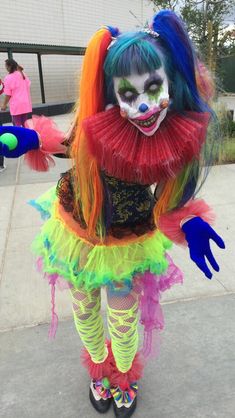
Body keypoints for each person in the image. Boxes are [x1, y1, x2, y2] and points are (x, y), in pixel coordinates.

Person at [0, 11, 225, 417]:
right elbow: (70, 144)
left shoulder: (175, 134)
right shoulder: (101, 126)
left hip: (127, 238)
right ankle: (98, 371)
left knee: (122, 316)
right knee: (85, 308)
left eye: (153, 88)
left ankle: (124, 376)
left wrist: (189, 222)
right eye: (128, 94)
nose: (143, 106)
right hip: (78, 230)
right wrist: (33, 137)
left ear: (170, 82)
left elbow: (172, 197)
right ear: (112, 95)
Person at [1, 59, 32, 126]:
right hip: (25, 103)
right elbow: (28, 84)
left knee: (17, 125)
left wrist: (4, 105)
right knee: (25, 124)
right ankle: (27, 136)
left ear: (9, 67)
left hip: (16, 105)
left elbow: (8, 94)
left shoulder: (8, 78)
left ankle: (19, 136)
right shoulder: (22, 74)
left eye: (6, 66)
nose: (6, 68)